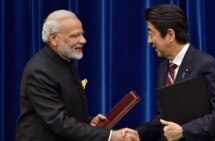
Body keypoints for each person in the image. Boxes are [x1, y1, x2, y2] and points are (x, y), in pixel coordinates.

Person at [16, 9, 139, 141]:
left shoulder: (67, 61)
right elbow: (59, 122)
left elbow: (67, 110)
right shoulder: (39, 71)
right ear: (53, 39)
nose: (83, 40)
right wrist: (110, 136)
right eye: (75, 36)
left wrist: (89, 122)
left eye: (82, 34)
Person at [135, 4, 215, 141]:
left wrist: (183, 131)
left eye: (151, 34)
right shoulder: (163, 68)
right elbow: (164, 118)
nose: (149, 40)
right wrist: (138, 135)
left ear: (170, 35)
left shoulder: (206, 64)